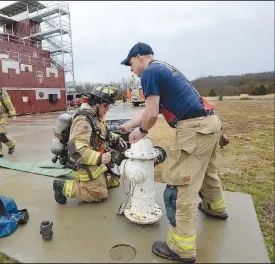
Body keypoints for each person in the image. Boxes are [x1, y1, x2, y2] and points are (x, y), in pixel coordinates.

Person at [119, 42, 228, 263]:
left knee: (182, 187)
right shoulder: (164, 68)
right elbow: (151, 109)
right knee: (206, 171)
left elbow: (150, 115)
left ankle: (181, 248)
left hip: (194, 129)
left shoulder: (148, 72)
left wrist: (140, 131)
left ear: (139, 58)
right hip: (210, 124)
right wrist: (128, 125)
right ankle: (215, 207)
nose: (131, 70)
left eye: (130, 64)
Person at [53, 86, 127, 204]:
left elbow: (104, 134)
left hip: (95, 157)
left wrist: (117, 139)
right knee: (99, 193)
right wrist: (100, 158)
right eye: (105, 106)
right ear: (96, 104)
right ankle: (62, 187)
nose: (107, 109)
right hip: (84, 161)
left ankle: (98, 180)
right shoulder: (83, 121)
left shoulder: (97, 117)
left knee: (113, 180)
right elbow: (75, 151)